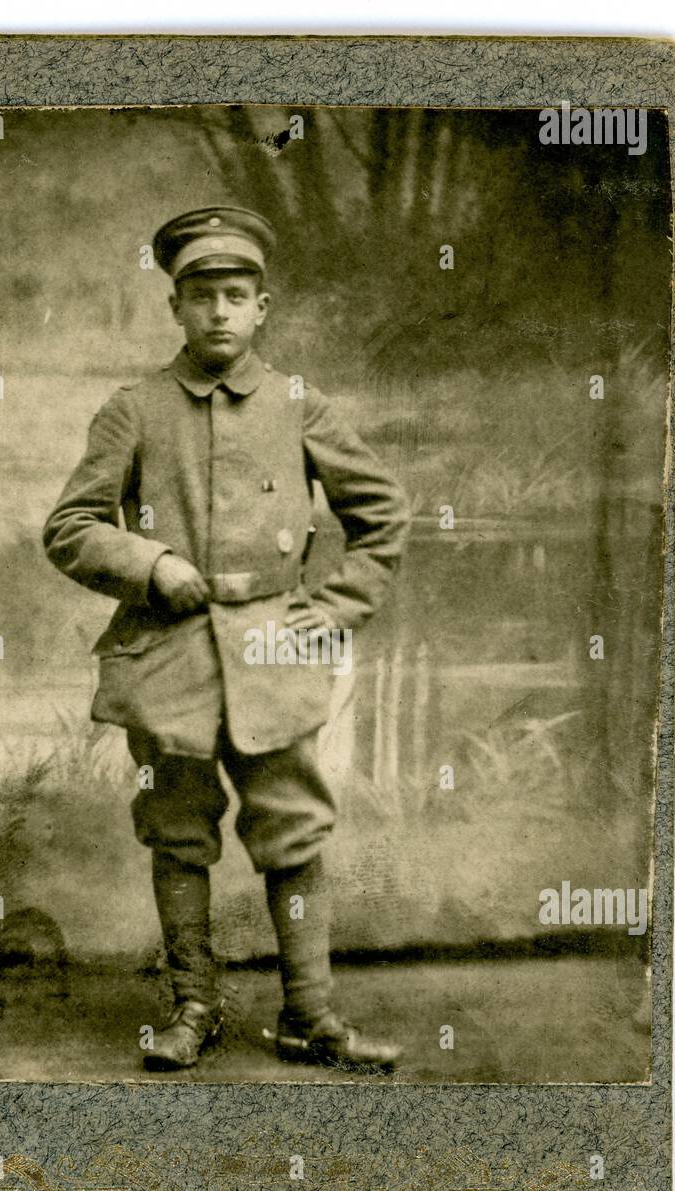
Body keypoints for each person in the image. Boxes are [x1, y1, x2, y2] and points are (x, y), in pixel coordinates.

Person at [43, 205, 411, 1074]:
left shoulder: (297, 403)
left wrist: (341, 603)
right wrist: (152, 563)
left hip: (276, 652)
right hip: (167, 654)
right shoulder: (133, 408)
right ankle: (193, 1008)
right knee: (177, 832)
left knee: (292, 832)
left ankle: (309, 1017)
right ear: (174, 304)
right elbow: (71, 526)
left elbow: (382, 512)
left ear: (262, 307)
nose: (217, 312)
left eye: (235, 295)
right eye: (200, 295)